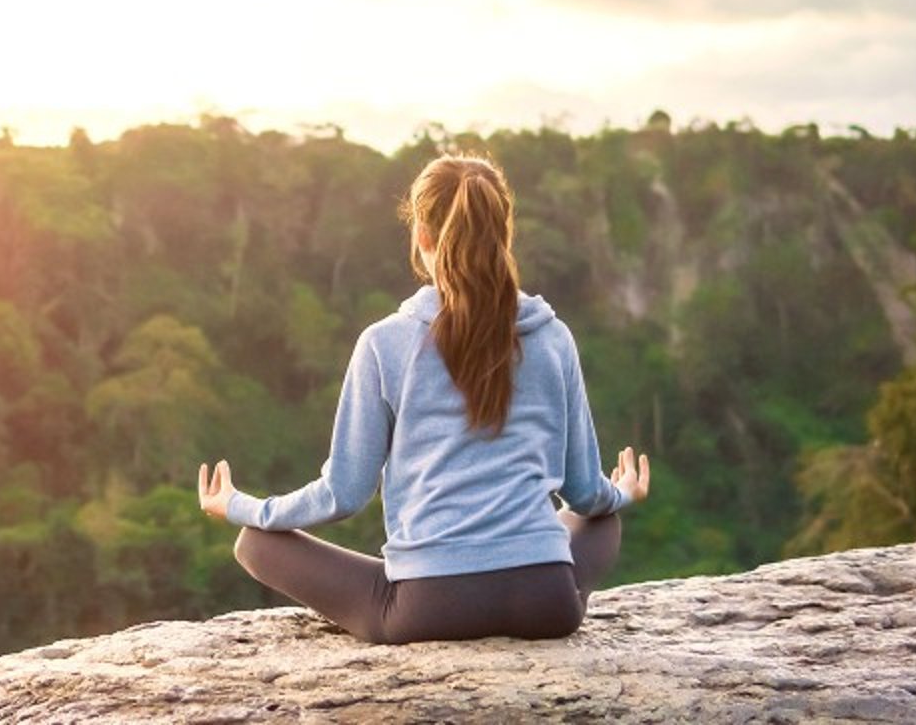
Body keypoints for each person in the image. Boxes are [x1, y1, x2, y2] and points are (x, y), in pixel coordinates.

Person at [195, 153, 651, 644]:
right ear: (505, 235)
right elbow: (585, 494)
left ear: (422, 237)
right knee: (602, 522)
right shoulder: (553, 336)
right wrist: (623, 491)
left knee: (256, 544)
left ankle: (431, 579)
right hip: (546, 602)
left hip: (427, 610)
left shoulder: (384, 343)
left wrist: (241, 506)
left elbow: (343, 494)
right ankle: (548, 582)